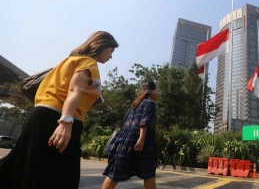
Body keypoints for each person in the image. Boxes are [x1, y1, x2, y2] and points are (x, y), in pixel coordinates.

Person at [0, 31, 119, 189]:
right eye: (111, 51)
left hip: (40, 115)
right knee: (64, 177)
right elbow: (74, 91)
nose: (111, 56)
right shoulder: (89, 62)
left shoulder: (67, 61)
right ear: (101, 45)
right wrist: (66, 123)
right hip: (58, 119)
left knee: (23, 170)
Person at [102, 81, 159, 189]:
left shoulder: (135, 104)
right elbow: (144, 121)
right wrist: (141, 139)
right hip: (143, 142)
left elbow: (126, 122)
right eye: (157, 90)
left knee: (115, 173)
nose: (158, 93)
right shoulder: (149, 103)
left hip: (124, 141)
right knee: (149, 172)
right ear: (151, 91)